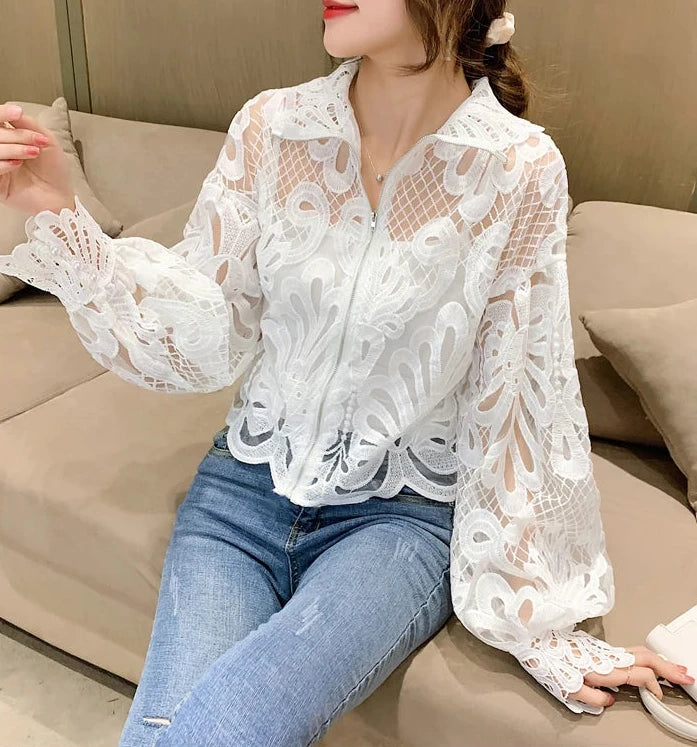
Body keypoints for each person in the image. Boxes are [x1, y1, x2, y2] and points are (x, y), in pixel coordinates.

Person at [0, 1, 693, 745]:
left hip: (400, 519)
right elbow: (209, 329)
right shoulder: (272, 128)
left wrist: (542, 621)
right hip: (242, 487)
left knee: (222, 730)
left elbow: (521, 391)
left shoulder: (518, 168)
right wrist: (60, 217)